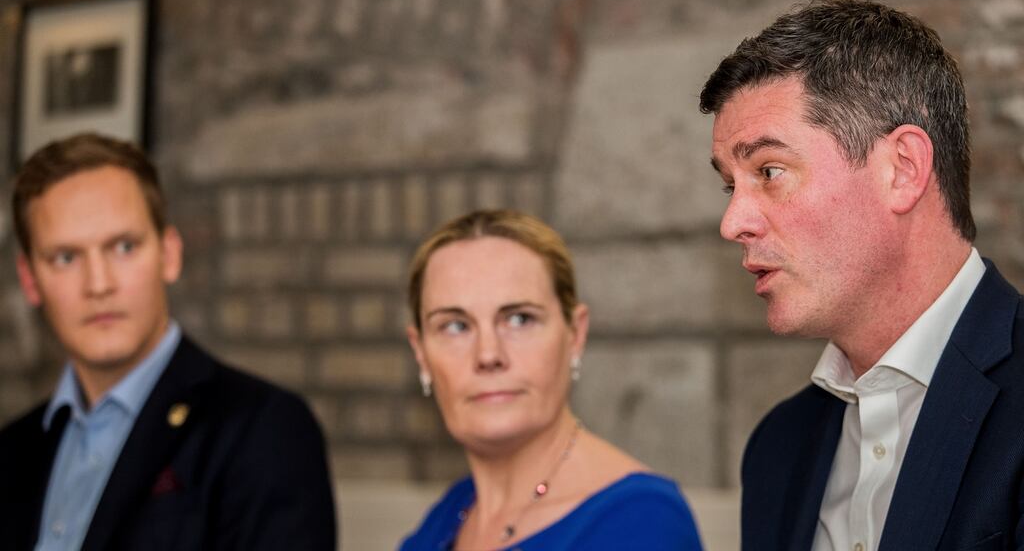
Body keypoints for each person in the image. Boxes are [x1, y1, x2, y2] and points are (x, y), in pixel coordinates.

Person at [700, 0, 1024, 551]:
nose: (733, 222)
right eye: (732, 185)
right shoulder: (777, 451)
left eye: (769, 171)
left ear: (902, 170)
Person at [0, 133, 336, 551]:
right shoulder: (11, 452)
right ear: (30, 280)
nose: (98, 284)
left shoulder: (263, 429)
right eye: (66, 258)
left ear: (169, 254)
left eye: (123, 247)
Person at [399, 209, 702, 550]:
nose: (488, 355)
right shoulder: (451, 512)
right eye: (455, 326)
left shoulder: (643, 522)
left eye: (519, 319)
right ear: (421, 354)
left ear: (574, 334)